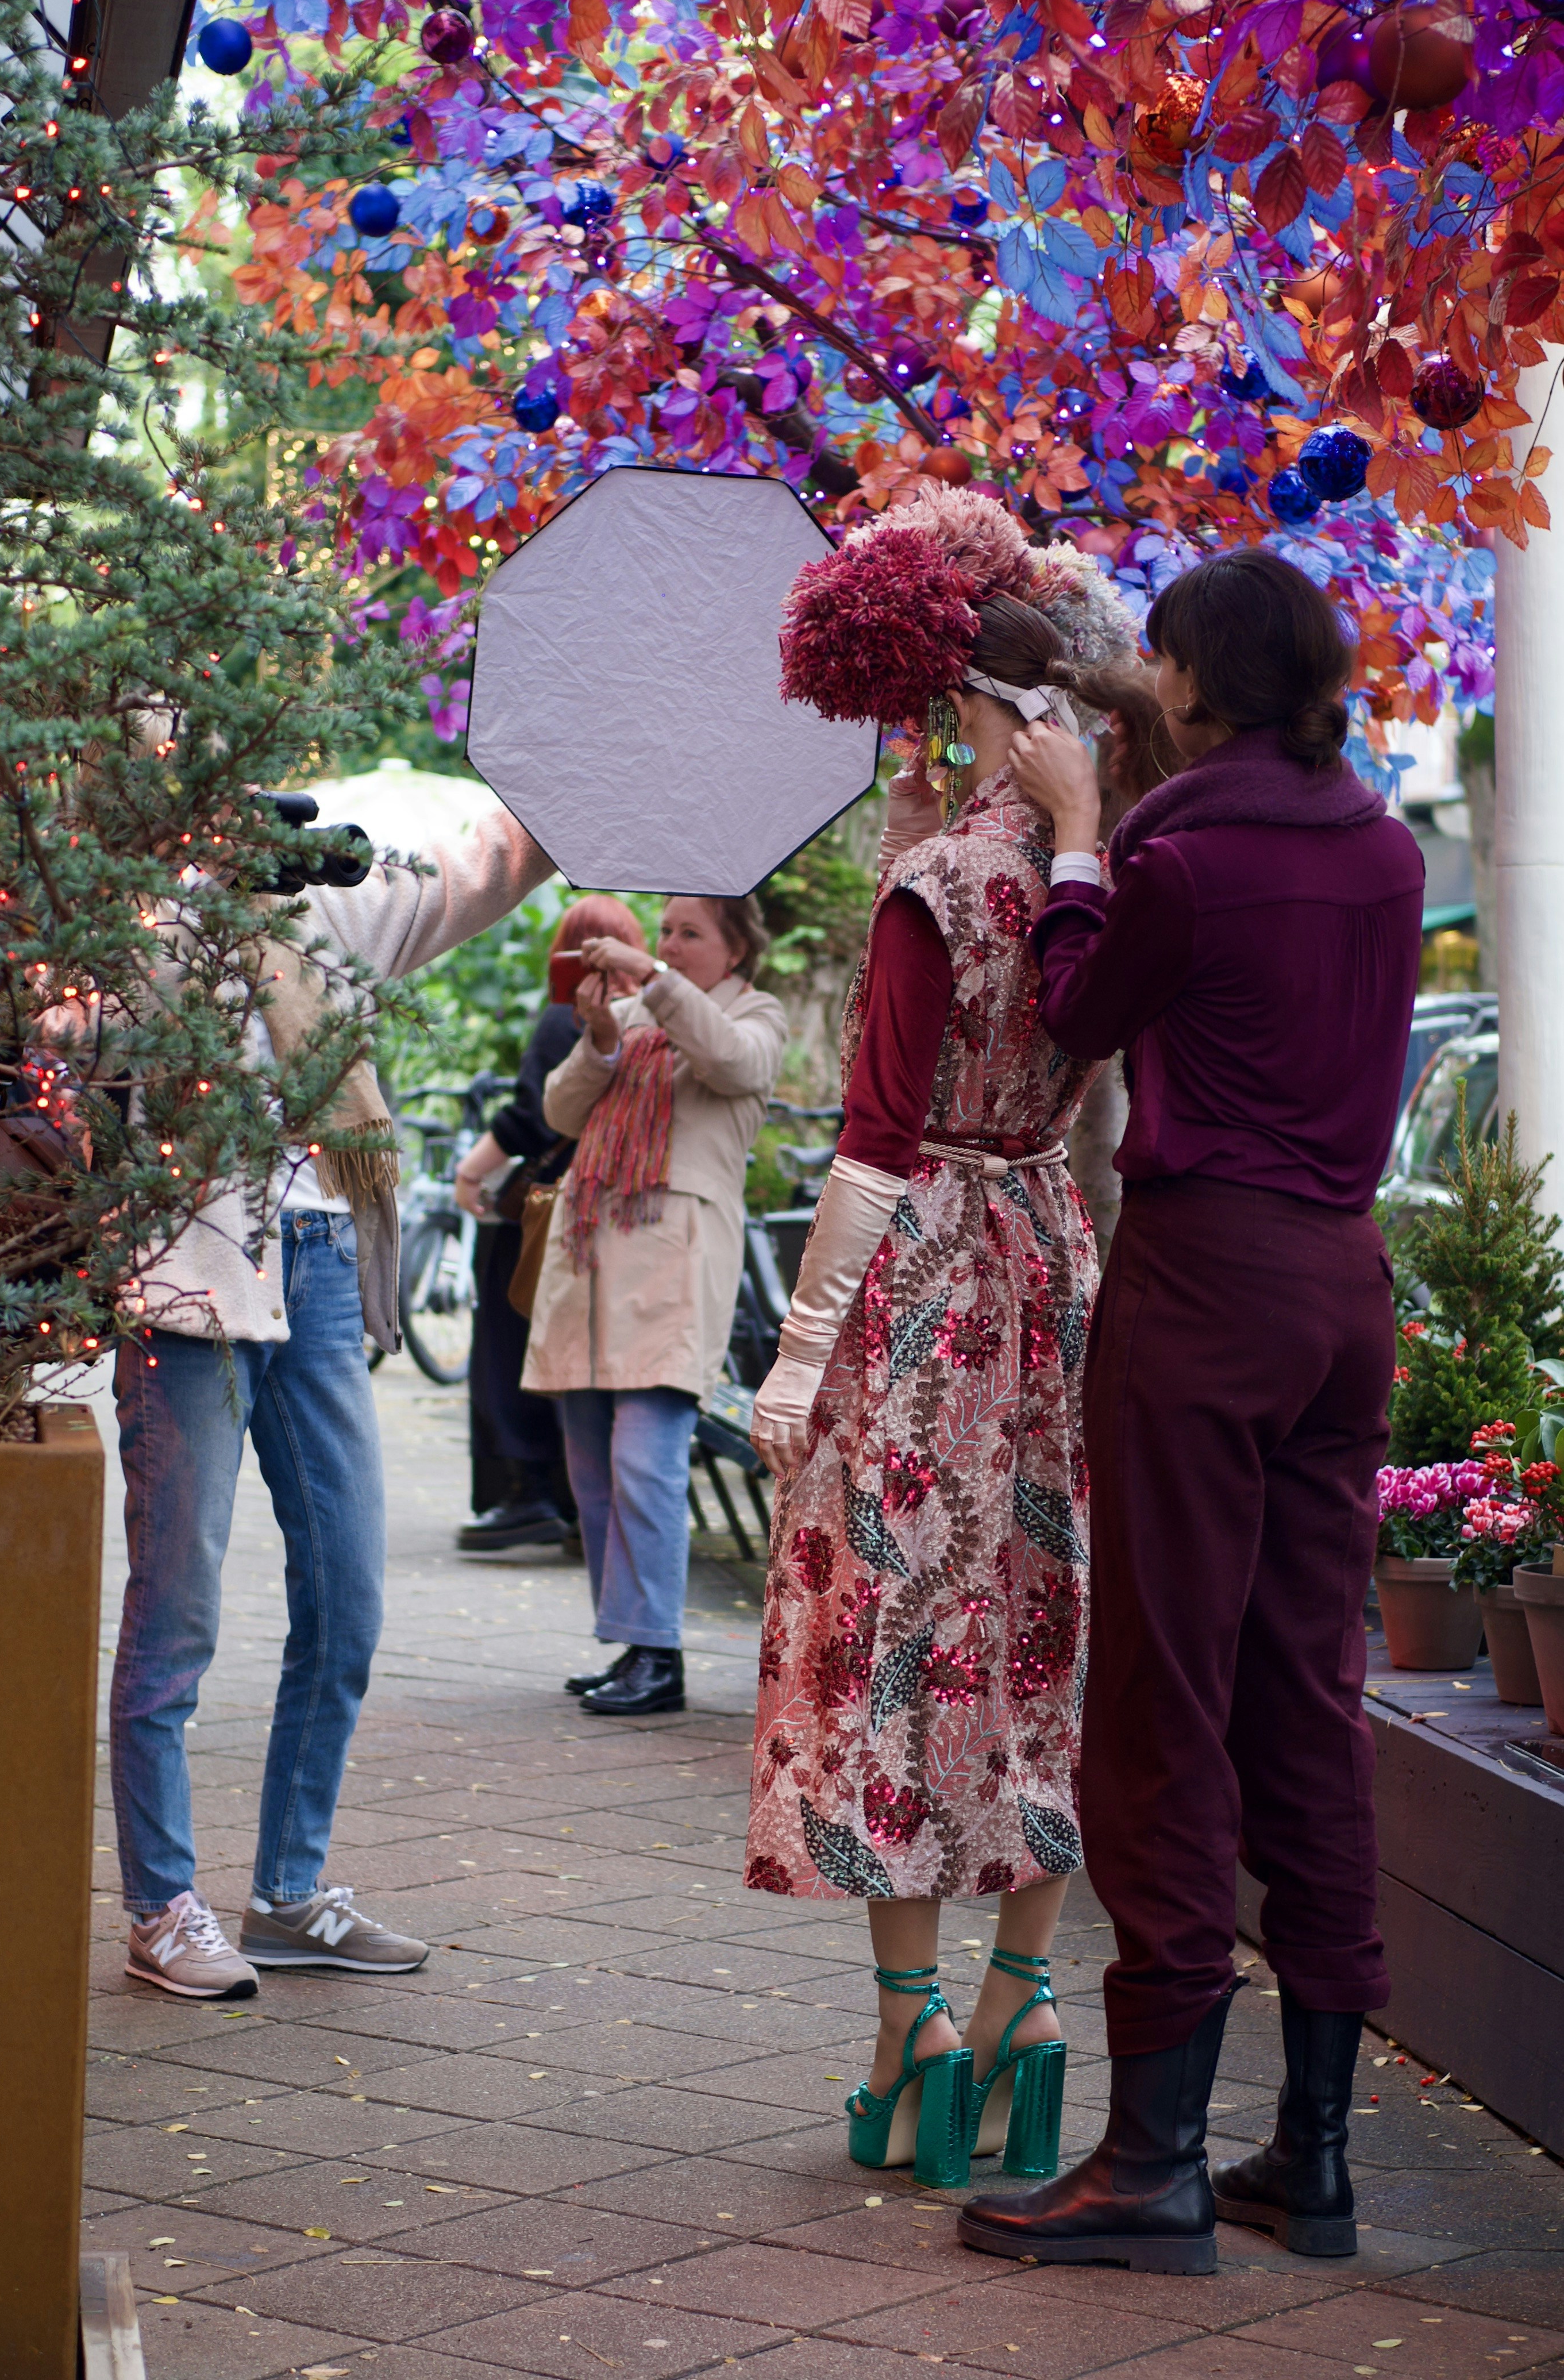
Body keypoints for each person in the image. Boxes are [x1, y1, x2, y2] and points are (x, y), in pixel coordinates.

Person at [958, 547, 1424, 2273]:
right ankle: (1310, 2159)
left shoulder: (1182, 849)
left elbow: (1076, 1007)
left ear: (1199, 679)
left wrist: (1076, 836)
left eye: (1157, 659)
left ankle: (1148, 2162)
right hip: (1337, 1289)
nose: (1140, 677)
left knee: (1157, 1697)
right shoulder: (1379, 846)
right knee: (1306, 1696)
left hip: (1203, 1282)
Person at [743, 494, 1142, 2193]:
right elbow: (1099, 1101)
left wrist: (791, 1350)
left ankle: (908, 2030)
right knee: (1039, 1641)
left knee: (891, 1646)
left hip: (920, 1286)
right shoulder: (1082, 864)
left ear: (956, 707)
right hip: (1047, 1262)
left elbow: (871, 1139)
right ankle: (1022, 2005)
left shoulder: (934, 879)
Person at [113, 798, 553, 1998]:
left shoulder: (331, 913)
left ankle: (290, 1894)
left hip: (313, 1262)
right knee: (177, 1617)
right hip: (186, 1284)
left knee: (349, 1598)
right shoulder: (133, 918)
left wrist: (585, 786)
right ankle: (161, 1903)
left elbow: (485, 865)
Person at [522, 896, 787, 1715]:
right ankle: (630, 1640)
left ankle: (659, 1651)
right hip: (594, 1253)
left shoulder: (756, 1013)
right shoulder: (635, 1011)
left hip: (671, 1264)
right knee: (592, 1465)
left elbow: (733, 1062)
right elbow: (560, 1112)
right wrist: (602, 1038)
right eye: (664, 930)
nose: (670, 943)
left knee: (647, 1459)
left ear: (737, 948)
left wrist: (655, 978)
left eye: (690, 933)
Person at [452, 896, 649, 1553]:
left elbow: (532, 1116)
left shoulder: (565, 1018)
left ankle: (523, 1488)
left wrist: (470, 1172)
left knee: (507, 1333)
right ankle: (574, 1495)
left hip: (549, 1208)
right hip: (624, 1209)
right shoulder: (658, 1020)